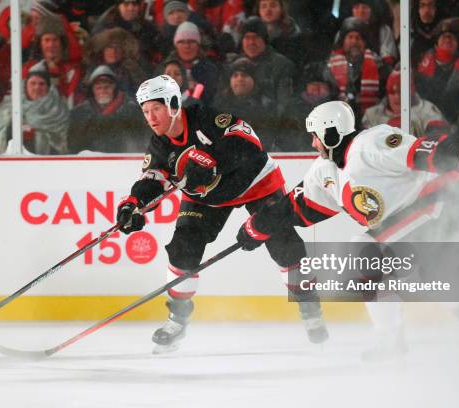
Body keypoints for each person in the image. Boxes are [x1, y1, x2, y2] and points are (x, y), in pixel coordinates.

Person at [235, 100, 459, 360]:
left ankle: (390, 341)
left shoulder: (372, 142)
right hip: (415, 223)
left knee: (364, 251)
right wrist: (257, 226)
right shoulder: (324, 171)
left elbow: (423, 151)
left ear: (331, 133)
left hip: (444, 206)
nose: (312, 142)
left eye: (315, 135)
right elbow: (295, 207)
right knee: (444, 280)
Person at [115, 75, 329, 353]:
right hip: (209, 198)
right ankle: (177, 318)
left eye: (155, 108)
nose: (150, 118)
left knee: (283, 244)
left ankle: (308, 304)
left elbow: (250, 143)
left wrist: (214, 161)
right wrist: (134, 204)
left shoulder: (207, 118)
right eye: (145, 111)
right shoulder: (160, 144)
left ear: (172, 104)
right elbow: (153, 180)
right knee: (183, 248)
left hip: (255, 183)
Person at [0, 62, 70, 155]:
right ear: (25, 86)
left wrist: (35, 135)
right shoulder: (9, 108)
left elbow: (62, 144)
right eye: (32, 83)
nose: (37, 87)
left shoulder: (58, 110)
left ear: (48, 88)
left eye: (41, 84)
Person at [69, 65, 149, 153]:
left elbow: (141, 143)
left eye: (107, 87)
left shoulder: (132, 111)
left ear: (115, 88)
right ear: (92, 90)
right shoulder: (79, 114)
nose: (103, 90)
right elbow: (74, 147)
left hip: (124, 162)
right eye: (98, 88)